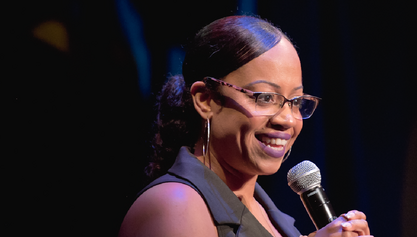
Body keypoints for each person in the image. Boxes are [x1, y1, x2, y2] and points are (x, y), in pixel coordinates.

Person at [118, 15, 372, 237]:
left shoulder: (271, 217)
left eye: (295, 101)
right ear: (206, 100)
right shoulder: (174, 206)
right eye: (265, 97)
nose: (286, 119)